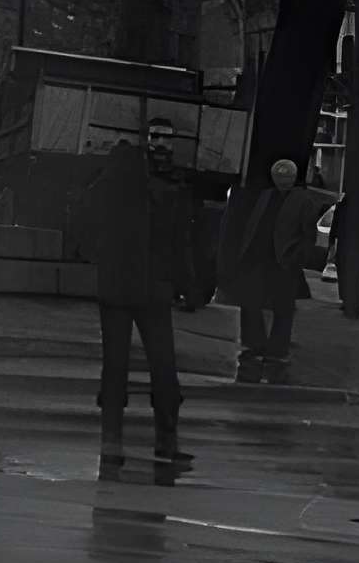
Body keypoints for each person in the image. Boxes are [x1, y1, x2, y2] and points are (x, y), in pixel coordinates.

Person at [87, 138, 205, 465]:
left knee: (114, 365)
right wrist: (186, 287)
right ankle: (166, 439)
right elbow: (179, 245)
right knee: (163, 363)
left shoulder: (102, 194)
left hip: (113, 289)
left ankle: (111, 442)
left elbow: (79, 230)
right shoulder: (164, 194)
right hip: (154, 291)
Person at [218, 156, 324, 383]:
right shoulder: (266, 195)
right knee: (252, 302)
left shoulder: (302, 200)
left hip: (283, 262)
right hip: (260, 259)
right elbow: (253, 224)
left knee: (283, 307)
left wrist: (297, 257)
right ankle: (256, 346)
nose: (282, 179)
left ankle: (276, 350)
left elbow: (309, 235)